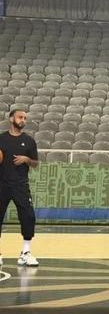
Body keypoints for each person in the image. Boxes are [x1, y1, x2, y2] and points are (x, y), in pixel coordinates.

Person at [0, 109, 39, 267]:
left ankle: (25, 253)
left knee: (29, 217)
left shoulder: (29, 141)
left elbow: (35, 164)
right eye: (20, 117)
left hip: (20, 185)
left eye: (24, 118)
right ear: (11, 119)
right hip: (2, 185)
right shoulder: (1, 139)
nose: (23, 120)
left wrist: (26, 159)